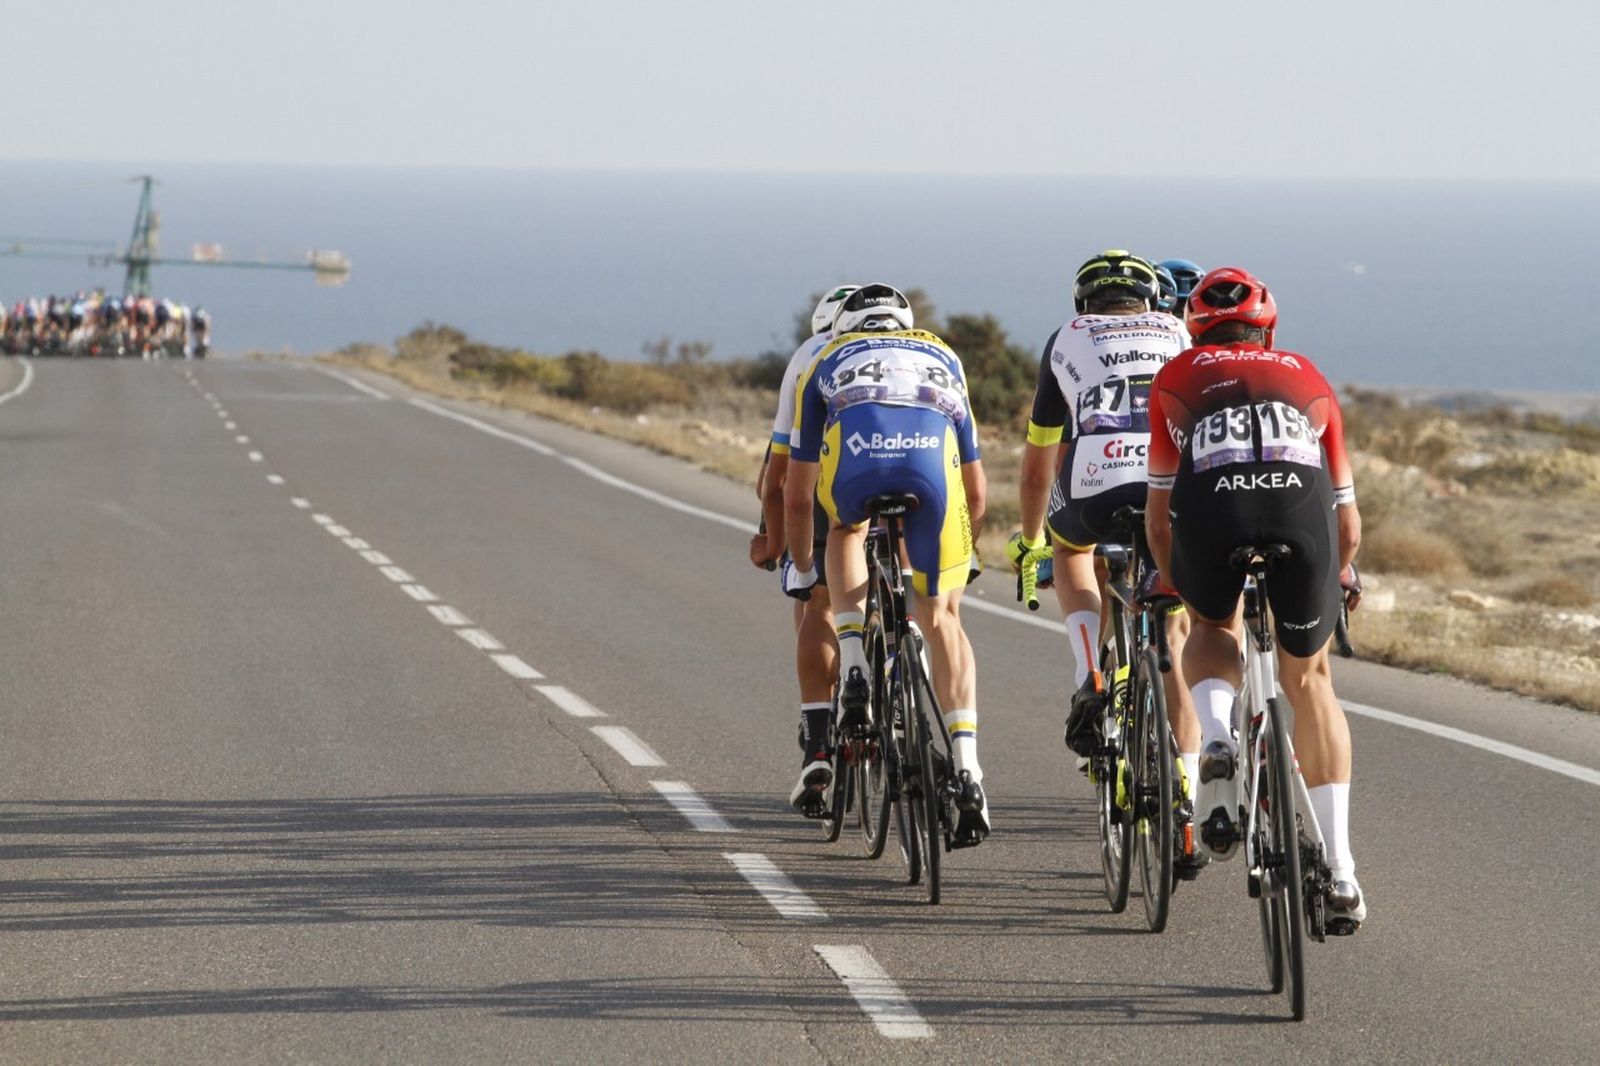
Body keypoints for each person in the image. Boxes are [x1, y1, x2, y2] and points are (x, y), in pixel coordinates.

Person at [1144, 266, 1366, 927]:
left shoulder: (1176, 377)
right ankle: (1344, 871)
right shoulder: (1308, 374)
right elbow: (1348, 524)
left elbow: (1159, 519)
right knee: (1311, 678)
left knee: (1212, 629)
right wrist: (1340, 577)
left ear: (1194, 328)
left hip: (1216, 514)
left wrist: (1173, 580)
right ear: (1269, 328)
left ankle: (1215, 735)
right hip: (1303, 518)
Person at [1007, 250, 1203, 854]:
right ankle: (1188, 801)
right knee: (1173, 641)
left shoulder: (1064, 337)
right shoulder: (1179, 329)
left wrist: (1032, 538)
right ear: (1151, 299)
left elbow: (1041, 462)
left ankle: (1091, 668)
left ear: (1081, 302)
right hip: (1173, 481)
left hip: (1096, 473)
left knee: (1072, 555)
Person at [781, 283, 991, 845]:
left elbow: (796, 496)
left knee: (846, 528)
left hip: (857, 466)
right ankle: (968, 769)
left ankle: (852, 660)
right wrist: (959, 559)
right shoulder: (943, 354)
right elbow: (976, 489)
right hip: (932, 475)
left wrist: (803, 567)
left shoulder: (825, 359)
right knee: (944, 617)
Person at [750, 284, 858, 815]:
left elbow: (776, 475)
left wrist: (776, 547)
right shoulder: (915, 350)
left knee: (817, 597)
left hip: (827, 481)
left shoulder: (811, 356)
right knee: (914, 599)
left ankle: (818, 735)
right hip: (919, 478)